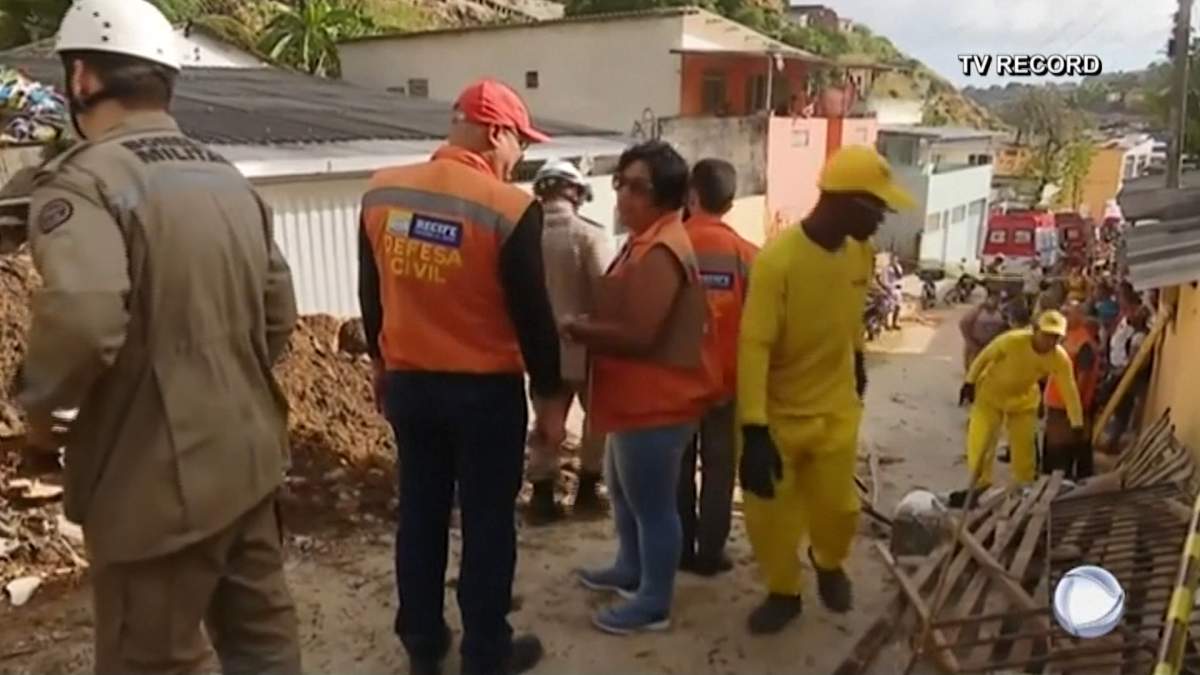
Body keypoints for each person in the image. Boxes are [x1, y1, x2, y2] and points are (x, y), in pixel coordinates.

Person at [14, 1, 302, 672]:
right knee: (264, 646)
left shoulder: (84, 183)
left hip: (152, 487)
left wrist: (40, 411)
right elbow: (278, 314)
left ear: (82, 79)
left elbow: (84, 317)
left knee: (150, 659)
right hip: (250, 461)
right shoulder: (228, 178)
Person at [359, 78, 568, 675]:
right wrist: (551, 403)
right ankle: (485, 651)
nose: (519, 156)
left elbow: (371, 293)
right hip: (484, 394)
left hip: (411, 387)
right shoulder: (510, 208)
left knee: (420, 514)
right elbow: (534, 318)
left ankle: (423, 643)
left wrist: (380, 363)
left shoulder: (381, 192)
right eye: (520, 141)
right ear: (496, 133)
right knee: (487, 523)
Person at [737, 146, 915, 634]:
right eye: (877, 207)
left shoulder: (860, 252)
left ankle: (829, 562)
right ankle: (783, 591)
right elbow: (754, 345)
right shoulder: (778, 261)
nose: (881, 219)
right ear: (847, 201)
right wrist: (753, 429)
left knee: (840, 509)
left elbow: (850, 313)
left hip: (835, 409)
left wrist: (856, 359)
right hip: (777, 416)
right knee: (771, 517)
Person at [565, 140, 717, 634]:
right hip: (636, 398)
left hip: (657, 402)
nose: (623, 195)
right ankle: (631, 567)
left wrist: (577, 328)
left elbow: (639, 334)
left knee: (653, 506)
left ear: (666, 196)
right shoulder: (646, 240)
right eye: (620, 183)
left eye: (637, 187)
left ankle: (653, 601)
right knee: (625, 491)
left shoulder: (661, 249)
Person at [676, 158, 758, 576]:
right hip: (726, 384)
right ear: (729, 202)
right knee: (720, 470)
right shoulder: (748, 255)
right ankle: (711, 552)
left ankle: (679, 548)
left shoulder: (667, 245)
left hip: (675, 385)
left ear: (692, 195)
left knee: (678, 469)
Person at [525, 158, 613, 525]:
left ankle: (542, 497)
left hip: (539, 349)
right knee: (598, 421)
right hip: (586, 346)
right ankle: (588, 491)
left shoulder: (524, 238)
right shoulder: (589, 235)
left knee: (547, 423)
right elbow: (607, 293)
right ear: (575, 192)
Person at [959, 311, 1084, 491]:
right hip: (991, 395)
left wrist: (1076, 423)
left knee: (1024, 449)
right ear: (1035, 330)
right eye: (1046, 335)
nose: (1050, 341)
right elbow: (985, 356)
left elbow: (1069, 390)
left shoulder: (1059, 358)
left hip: (1022, 401)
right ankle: (979, 485)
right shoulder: (1013, 341)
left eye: (1055, 337)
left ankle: (1024, 487)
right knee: (981, 442)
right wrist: (970, 381)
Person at [1042, 302, 1102, 479]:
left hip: (1068, 408)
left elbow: (1083, 378)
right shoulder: (1066, 338)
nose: (1064, 317)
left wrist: (1074, 409)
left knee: (1065, 452)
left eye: (1068, 314)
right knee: (1056, 450)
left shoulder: (1083, 343)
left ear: (1080, 316)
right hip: (1058, 404)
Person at [959, 290, 1009, 371]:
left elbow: (1005, 327)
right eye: (992, 299)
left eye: (997, 299)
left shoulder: (1001, 312)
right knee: (973, 368)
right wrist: (970, 342)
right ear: (987, 299)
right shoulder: (977, 311)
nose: (995, 301)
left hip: (991, 344)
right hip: (976, 344)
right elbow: (963, 324)